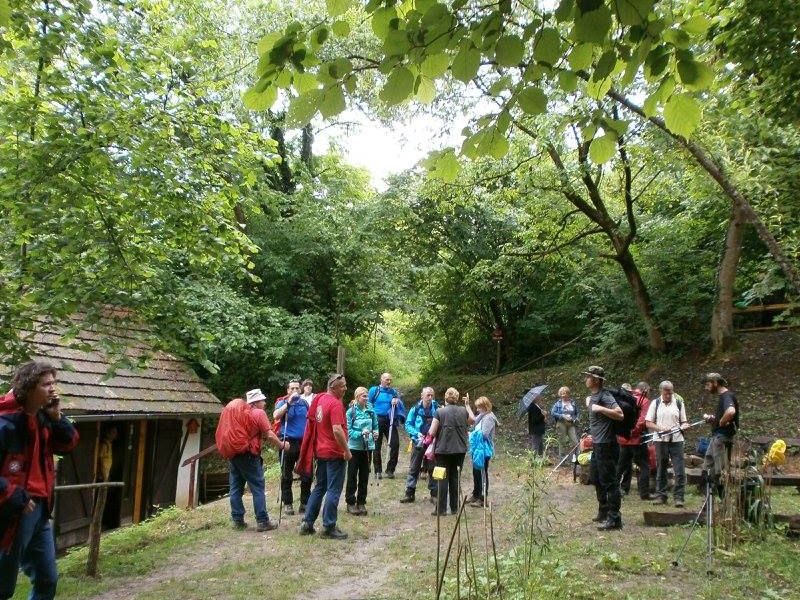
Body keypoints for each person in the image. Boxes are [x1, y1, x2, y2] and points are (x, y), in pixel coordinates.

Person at [0, 360, 79, 600]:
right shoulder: (5, 422)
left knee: (47, 580)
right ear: (29, 387)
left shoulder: (44, 417)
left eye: (54, 383)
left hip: (41, 511)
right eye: (46, 384)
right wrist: (14, 495)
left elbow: (68, 444)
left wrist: (57, 418)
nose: (53, 389)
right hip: (12, 513)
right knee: (3, 586)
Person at [298, 374, 352, 540]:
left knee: (320, 487)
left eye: (345, 385)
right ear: (333, 387)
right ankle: (329, 527)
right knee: (333, 489)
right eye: (342, 386)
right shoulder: (335, 404)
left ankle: (307, 523)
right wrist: (346, 450)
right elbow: (337, 430)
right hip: (334, 453)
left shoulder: (320, 400)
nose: (345, 388)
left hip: (321, 451)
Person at [229, 389, 289, 532]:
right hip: (249, 455)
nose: (265, 403)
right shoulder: (258, 413)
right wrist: (282, 445)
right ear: (255, 402)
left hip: (234, 453)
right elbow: (269, 435)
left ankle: (237, 520)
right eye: (262, 400)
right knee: (257, 487)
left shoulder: (238, 413)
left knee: (235, 487)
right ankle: (262, 521)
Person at [584, 366, 624, 531]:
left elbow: (620, 414)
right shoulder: (592, 397)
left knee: (609, 482)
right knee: (595, 478)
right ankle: (604, 511)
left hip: (607, 445)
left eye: (588, 377)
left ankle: (615, 519)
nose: (585, 379)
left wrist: (600, 408)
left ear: (595, 380)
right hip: (597, 443)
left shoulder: (605, 395)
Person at [428, 387, 475, 516]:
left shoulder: (439, 412)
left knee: (442, 478)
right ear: (457, 398)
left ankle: (441, 509)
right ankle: (455, 508)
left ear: (445, 398)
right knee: (455, 477)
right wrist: (467, 405)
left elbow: (432, 431)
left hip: (443, 450)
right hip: (460, 450)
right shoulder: (463, 411)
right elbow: (472, 420)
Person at [645, 381, 689, 507]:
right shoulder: (655, 403)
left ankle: (679, 497)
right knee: (661, 469)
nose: (669, 396)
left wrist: (685, 426)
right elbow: (648, 422)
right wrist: (661, 429)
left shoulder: (679, 403)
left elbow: (684, 422)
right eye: (666, 394)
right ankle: (661, 496)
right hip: (660, 441)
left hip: (676, 440)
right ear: (661, 392)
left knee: (679, 470)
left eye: (670, 393)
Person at [273, 380, 312, 516]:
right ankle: (288, 503)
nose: (295, 390)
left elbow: (310, 419)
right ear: (288, 390)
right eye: (292, 388)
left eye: (297, 388)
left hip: (304, 442)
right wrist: (288, 403)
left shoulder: (304, 403)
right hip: (288, 442)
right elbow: (276, 416)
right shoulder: (282, 403)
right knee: (286, 474)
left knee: (306, 473)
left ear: (300, 390)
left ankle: (305, 503)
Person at [702, 372, 739, 496]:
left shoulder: (727, 396)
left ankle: (723, 498)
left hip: (722, 439)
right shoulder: (723, 397)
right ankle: (709, 497)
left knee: (720, 472)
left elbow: (731, 411)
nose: (706, 388)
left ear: (715, 383)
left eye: (708, 385)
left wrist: (722, 421)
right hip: (717, 438)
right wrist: (714, 419)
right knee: (708, 467)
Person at [400, 387, 439, 504]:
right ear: (422, 396)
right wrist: (416, 434)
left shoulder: (437, 408)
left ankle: (434, 494)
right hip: (418, 442)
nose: (430, 398)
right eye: (428, 395)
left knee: (433, 468)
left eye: (432, 395)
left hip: (432, 443)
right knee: (414, 467)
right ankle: (409, 493)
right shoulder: (415, 409)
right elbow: (408, 424)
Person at [616, 382, 654, 500]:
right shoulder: (644, 401)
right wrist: (634, 431)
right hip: (636, 440)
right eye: (649, 390)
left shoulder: (626, 398)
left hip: (623, 439)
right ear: (645, 389)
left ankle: (612, 490)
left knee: (620, 466)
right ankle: (644, 494)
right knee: (644, 466)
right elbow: (642, 420)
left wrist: (624, 432)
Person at [345, 387, 378, 515]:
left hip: (367, 448)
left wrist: (375, 433)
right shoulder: (350, 412)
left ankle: (361, 502)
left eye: (367, 396)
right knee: (352, 475)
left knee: (364, 476)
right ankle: (350, 502)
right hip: (354, 448)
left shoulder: (371, 411)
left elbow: (375, 426)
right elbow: (348, 432)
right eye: (364, 396)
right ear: (357, 397)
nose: (366, 398)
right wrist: (360, 433)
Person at [368, 372, 406, 478]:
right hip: (377, 420)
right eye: (387, 379)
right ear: (381, 380)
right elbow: (368, 403)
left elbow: (400, 405)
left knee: (395, 444)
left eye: (390, 380)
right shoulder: (374, 390)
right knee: (377, 446)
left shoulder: (393, 392)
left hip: (390, 420)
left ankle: (390, 469)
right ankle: (377, 471)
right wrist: (371, 416)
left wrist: (396, 401)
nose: (389, 382)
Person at [468, 397, 498, 507]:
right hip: (477, 449)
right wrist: (467, 406)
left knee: (482, 473)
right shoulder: (482, 416)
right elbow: (473, 422)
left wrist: (472, 434)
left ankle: (482, 498)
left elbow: (484, 434)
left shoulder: (489, 417)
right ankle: (475, 494)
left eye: (479, 407)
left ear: (485, 407)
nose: (477, 410)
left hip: (484, 450)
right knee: (476, 472)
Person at [550, 386, 579, 459]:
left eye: (565, 394)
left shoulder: (573, 403)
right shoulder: (558, 404)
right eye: (562, 395)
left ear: (568, 394)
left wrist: (574, 418)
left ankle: (576, 458)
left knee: (575, 441)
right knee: (562, 441)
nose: (563, 396)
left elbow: (577, 413)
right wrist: (562, 416)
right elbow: (553, 413)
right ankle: (562, 459)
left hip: (571, 423)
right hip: (561, 423)